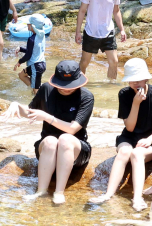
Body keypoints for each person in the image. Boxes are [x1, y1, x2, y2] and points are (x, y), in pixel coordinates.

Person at [90, 58, 152, 210]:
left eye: (138, 79)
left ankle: (137, 198)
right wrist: (135, 103)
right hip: (129, 136)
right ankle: (108, 194)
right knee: (124, 152)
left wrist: (149, 140)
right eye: (131, 80)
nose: (135, 83)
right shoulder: (124, 94)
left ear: (146, 78)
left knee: (137, 154)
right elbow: (129, 127)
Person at [17, 60, 95, 205]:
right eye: (62, 85)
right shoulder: (46, 89)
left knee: (65, 139)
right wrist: (16, 106)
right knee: (51, 140)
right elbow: (29, 113)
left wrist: (48, 117)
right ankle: (41, 191)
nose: (66, 89)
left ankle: (59, 192)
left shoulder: (86, 97)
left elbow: (73, 129)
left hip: (75, 149)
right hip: (48, 148)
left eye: (70, 85)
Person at [76, 0, 127, 81]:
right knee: (84, 62)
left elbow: (116, 11)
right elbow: (82, 11)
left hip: (108, 32)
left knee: (114, 61)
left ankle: (111, 85)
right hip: (91, 32)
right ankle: (78, 84)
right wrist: (78, 32)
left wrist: (122, 29)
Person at [15, 15, 49, 89]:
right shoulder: (41, 35)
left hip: (36, 67)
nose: (27, 25)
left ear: (33, 26)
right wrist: (21, 49)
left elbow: (28, 55)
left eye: (28, 23)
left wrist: (19, 62)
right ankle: (39, 87)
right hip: (41, 64)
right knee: (21, 75)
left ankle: (39, 91)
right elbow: (33, 50)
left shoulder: (31, 39)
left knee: (35, 90)